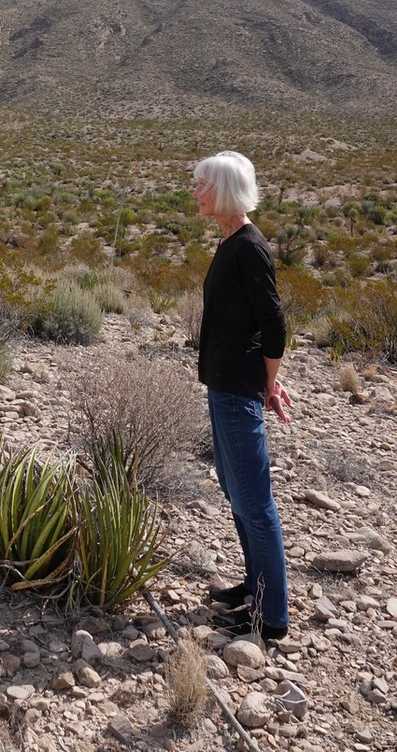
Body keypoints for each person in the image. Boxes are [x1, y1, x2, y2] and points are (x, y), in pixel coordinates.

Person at [192, 149, 293, 641]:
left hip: (236, 390)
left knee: (254, 501)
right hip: (226, 383)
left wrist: (267, 383)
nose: (195, 192)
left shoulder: (249, 247)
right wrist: (265, 377)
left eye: (201, 185)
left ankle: (271, 618)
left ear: (224, 189)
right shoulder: (231, 241)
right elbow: (255, 326)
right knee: (237, 492)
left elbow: (275, 326)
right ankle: (254, 588)